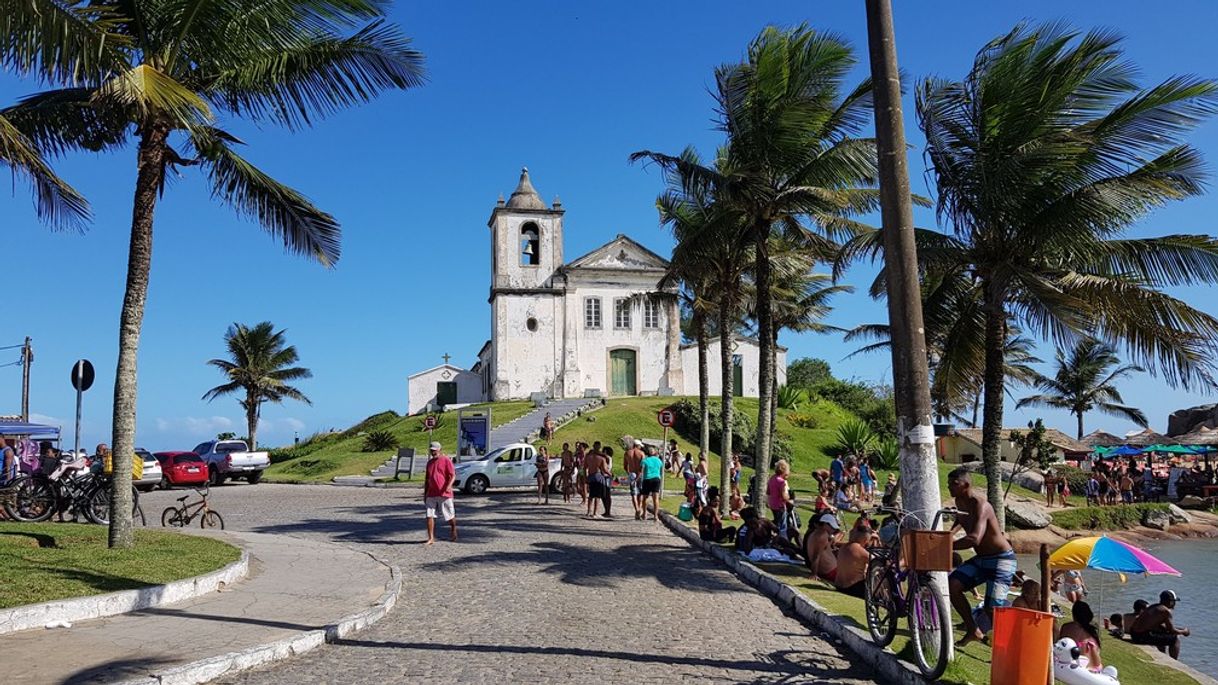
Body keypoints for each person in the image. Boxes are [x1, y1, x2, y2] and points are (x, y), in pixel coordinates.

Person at [946, 468, 1017, 647]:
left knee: (992, 608)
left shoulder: (981, 505)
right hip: (982, 560)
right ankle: (972, 630)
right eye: (949, 484)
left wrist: (946, 546)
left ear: (966, 485)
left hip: (1002, 560)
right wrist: (948, 535)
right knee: (953, 585)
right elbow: (960, 519)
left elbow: (974, 538)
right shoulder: (959, 501)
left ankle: (1008, 648)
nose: (950, 487)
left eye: (954, 484)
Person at [1128, 590, 1189, 659]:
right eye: (1174, 602)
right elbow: (1172, 630)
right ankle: (1174, 660)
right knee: (1175, 639)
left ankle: (1163, 655)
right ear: (1170, 601)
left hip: (1134, 634)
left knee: (1162, 633)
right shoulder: (1166, 611)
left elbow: (1163, 627)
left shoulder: (1154, 606)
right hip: (1141, 637)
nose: (1174, 604)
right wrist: (1184, 631)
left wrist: (1178, 629)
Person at [423, 441, 457, 544]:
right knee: (429, 515)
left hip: (444, 493)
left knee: (449, 516)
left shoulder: (446, 460)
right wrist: (425, 494)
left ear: (439, 450)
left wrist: (448, 486)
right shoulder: (429, 463)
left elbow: (452, 475)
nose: (433, 452)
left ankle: (453, 529)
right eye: (431, 450)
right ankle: (431, 538)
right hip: (432, 493)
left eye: (434, 450)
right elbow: (427, 480)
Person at [1060, 601, 1105, 671]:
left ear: (1074, 614)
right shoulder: (1093, 630)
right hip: (1096, 667)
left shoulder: (1067, 627)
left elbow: (1061, 647)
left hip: (1078, 667)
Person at [804, 511, 841, 580]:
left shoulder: (816, 533)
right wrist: (814, 574)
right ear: (825, 524)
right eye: (832, 527)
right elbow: (816, 556)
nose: (833, 530)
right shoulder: (822, 535)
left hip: (830, 570)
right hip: (830, 572)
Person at [767, 460, 794, 538]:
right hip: (780, 505)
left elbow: (768, 491)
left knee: (776, 520)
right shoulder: (782, 482)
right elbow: (783, 496)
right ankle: (781, 539)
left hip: (772, 503)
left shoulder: (772, 478)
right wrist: (790, 497)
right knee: (782, 524)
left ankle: (773, 536)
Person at [585, 442, 612, 519]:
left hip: (590, 476)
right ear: (599, 447)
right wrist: (610, 474)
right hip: (598, 476)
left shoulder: (588, 456)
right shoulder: (601, 458)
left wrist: (585, 476)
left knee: (591, 495)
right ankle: (595, 512)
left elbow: (584, 467)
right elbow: (604, 469)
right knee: (597, 496)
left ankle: (588, 511)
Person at [639, 445, 663, 522]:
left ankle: (644, 514)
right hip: (656, 479)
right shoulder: (659, 460)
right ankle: (656, 516)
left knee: (645, 497)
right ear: (654, 453)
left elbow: (641, 470)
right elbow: (661, 470)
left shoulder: (644, 460)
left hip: (647, 479)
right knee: (655, 498)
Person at [625, 440, 645, 519]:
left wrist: (629, 473)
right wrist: (640, 474)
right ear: (638, 445)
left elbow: (625, 466)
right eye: (640, 446)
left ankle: (636, 509)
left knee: (633, 493)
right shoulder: (641, 453)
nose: (640, 447)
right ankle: (639, 509)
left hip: (632, 473)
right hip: (640, 474)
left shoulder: (627, 453)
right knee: (640, 493)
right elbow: (642, 466)